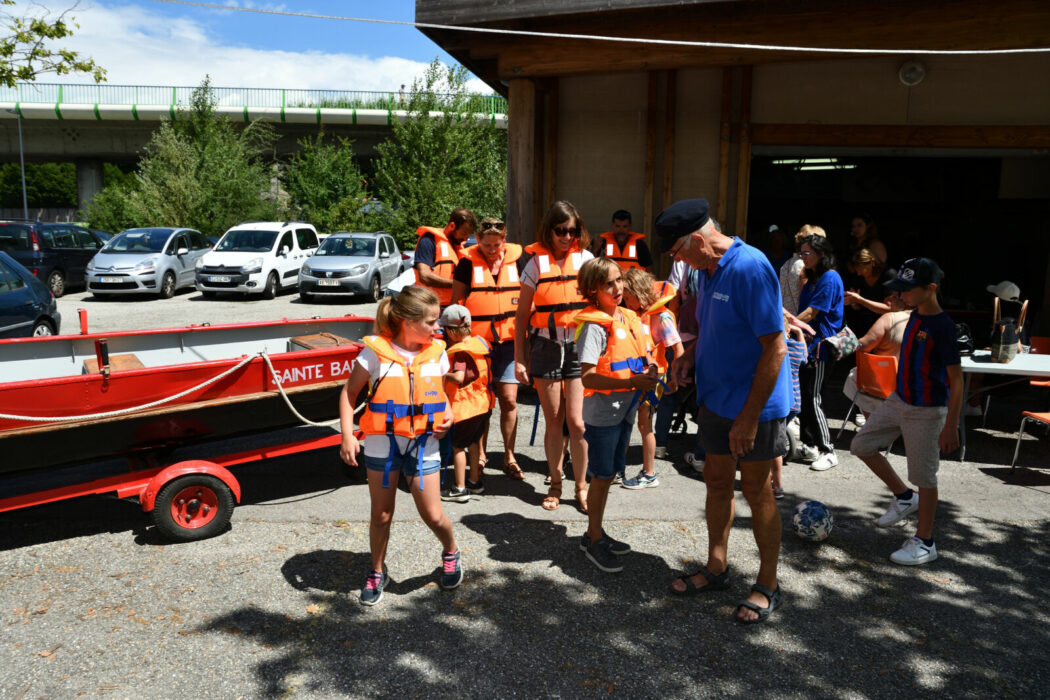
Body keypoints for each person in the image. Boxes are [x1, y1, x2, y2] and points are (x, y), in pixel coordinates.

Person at [662, 198, 791, 624]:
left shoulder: (750, 267)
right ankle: (717, 567)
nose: (680, 262)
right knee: (716, 482)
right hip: (716, 401)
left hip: (755, 407)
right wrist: (690, 356)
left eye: (679, 252)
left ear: (697, 240)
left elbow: (774, 344)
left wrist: (750, 418)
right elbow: (719, 330)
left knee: (757, 491)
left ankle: (768, 583)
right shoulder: (708, 269)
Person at [338, 286, 462, 606]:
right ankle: (377, 571)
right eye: (432, 321)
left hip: (424, 444)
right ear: (408, 321)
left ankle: (451, 550)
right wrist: (347, 435)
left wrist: (447, 413)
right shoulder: (374, 352)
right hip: (382, 443)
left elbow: (442, 393)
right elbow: (348, 394)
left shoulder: (437, 352)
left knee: (433, 515)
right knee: (381, 515)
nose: (439, 327)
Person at [850, 258, 961, 566]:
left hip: (927, 410)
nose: (901, 295)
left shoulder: (942, 326)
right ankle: (903, 496)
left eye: (907, 290)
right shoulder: (910, 315)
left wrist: (951, 424)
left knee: (925, 477)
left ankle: (925, 542)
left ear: (931, 289)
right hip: (898, 400)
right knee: (861, 445)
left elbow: (957, 379)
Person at [574, 257, 659, 571]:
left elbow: (639, 355)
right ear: (593, 290)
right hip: (603, 414)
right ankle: (594, 540)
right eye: (608, 283)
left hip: (625, 409)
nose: (617, 288)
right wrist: (630, 381)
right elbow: (586, 377)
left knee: (608, 475)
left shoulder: (625, 316)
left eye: (619, 280)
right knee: (601, 476)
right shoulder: (595, 326)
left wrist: (648, 370)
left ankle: (594, 532)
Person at [514, 201, 593, 512]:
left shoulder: (586, 259)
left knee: (577, 423)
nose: (567, 236)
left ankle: (582, 486)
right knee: (554, 421)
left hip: (577, 347)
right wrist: (520, 358)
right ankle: (556, 483)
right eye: (561, 230)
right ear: (550, 230)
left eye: (572, 231)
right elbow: (521, 317)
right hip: (546, 347)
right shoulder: (535, 264)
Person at [450, 216, 524, 480]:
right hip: (478, 346)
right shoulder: (467, 264)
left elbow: (529, 300)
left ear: (504, 241)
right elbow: (455, 305)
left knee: (509, 400)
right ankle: (480, 454)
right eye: (487, 245)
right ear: (477, 241)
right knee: (482, 403)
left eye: (497, 245)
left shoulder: (518, 261)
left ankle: (509, 456)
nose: (493, 250)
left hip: (510, 341)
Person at [620, 267, 683, 489]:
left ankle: (649, 473)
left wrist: (674, 378)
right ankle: (619, 468)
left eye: (629, 299)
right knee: (626, 421)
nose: (626, 304)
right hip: (635, 375)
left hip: (653, 378)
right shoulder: (633, 315)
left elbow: (678, 350)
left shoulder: (662, 316)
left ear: (639, 294)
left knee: (644, 424)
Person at [794, 234, 844, 472]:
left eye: (807, 253)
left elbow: (812, 312)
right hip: (806, 344)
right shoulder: (812, 278)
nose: (802, 258)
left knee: (813, 398)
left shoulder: (830, 277)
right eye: (801, 253)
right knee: (803, 396)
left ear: (821, 254)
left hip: (821, 347)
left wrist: (786, 325)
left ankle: (828, 450)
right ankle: (809, 444)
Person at [438, 304, 494, 503]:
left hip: (467, 408)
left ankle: (459, 489)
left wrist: (442, 374)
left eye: (444, 329)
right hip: (484, 405)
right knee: (473, 443)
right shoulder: (479, 344)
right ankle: (474, 482)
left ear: (452, 331)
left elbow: (460, 377)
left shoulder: (460, 352)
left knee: (458, 446)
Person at [841, 294, 911, 424]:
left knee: (854, 376)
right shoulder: (925, 321)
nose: (887, 300)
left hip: (883, 383)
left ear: (903, 300)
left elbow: (863, 345)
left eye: (893, 297)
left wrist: (843, 339)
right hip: (910, 384)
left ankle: (872, 421)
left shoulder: (890, 318)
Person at [772, 311, 808, 499]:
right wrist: (799, 332)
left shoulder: (773, 348)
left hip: (780, 402)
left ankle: (777, 485)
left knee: (772, 446)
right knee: (779, 433)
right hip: (795, 403)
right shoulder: (795, 348)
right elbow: (805, 355)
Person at [414, 208, 476, 307]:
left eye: (468, 235)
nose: (465, 239)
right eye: (464, 233)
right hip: (429, 307)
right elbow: (424, 276)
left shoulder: (458, 246)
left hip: (452, 307)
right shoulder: (428, 240)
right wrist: (459, 284)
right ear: (452, 226)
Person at [844, 247, 894, 337]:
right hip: (865, 326)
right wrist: (854, 303)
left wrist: (861, 300)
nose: (859, 273)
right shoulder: (859, 278)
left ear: (872, 262)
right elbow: (859, 307)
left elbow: (889, 308)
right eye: (857, 271)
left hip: (885, 326)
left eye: (862, 269)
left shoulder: (888, 276)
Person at [779, 224, 826, 316]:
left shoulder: (786, 264)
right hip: (800, 320)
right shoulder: (806, 265)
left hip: (785, 320)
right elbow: (806, 298)